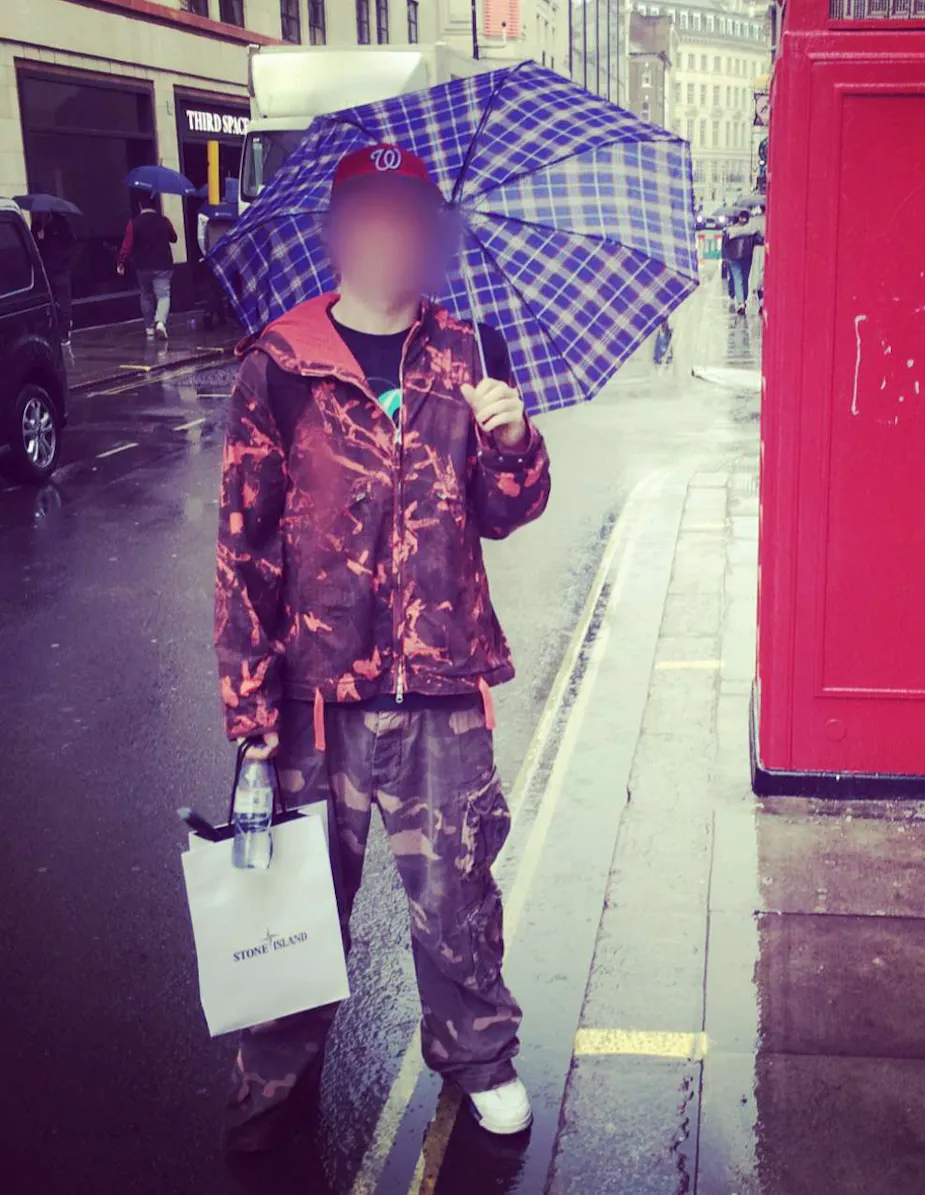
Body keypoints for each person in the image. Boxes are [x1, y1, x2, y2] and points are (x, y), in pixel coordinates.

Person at [214, 143, 551, 1153]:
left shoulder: (471, 351)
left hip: (443, 683)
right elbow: (242, 548)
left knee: (458, 891)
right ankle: (275, 1072)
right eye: (371, 216)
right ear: (338, 229)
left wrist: (513, 444)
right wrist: (251, 711)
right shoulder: (279, 364)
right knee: (296, 895)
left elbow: (506, 511)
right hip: (318, 696)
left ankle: (479, 1054)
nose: (390, 236)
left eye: (409, 218)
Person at [116, 194, 177, 340]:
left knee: (146, 295)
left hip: (143, 266)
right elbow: (174, 238)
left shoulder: (134, 223)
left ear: (140, 206)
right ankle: (160, 322)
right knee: (163, 295)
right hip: (163, 265)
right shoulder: (164, 221)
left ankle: (149, 328)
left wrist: (121, 262)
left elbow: (127, 245)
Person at [33, 211, 76, 344]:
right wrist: (38, 238)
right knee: (53, 300)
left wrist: (65, 261)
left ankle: (63, 330)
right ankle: (57, 330)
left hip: (57, 270)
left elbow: (70, 244)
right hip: (51, 270)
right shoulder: (39, 227)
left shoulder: (58, 226)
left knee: (61, 300)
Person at [722, 210, 756, 316]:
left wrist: (725, 256)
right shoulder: (751, 229)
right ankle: (743, 300)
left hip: (734, 257)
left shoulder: (731, 229)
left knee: (738, 279)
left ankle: (741, 302)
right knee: (745, 279)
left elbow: (725, 243)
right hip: (747, 257)